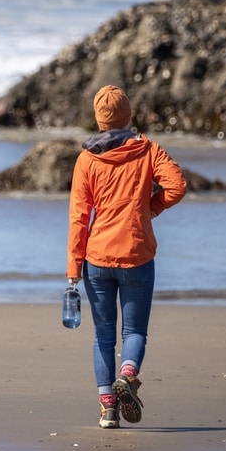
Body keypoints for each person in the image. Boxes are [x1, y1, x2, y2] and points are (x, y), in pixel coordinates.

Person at [67, 85, 187, 429]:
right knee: (134, 332)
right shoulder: (148, 150)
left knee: (103, 335)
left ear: (98, 118)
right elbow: (177, 185)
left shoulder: (87, 159)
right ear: (128, 114)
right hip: (136, 254)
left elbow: (78, 217)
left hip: (97, 259)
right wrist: (150, 208)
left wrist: (73, 268)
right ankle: (128, 375)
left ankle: (108, 410)